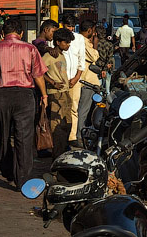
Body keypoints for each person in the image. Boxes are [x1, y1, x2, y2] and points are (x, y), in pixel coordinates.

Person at [0, 17, 47, 190]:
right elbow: (38, 74)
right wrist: (44, 95)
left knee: (3, 135)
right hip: (24, 95)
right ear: (21, 33)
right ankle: (22, 179)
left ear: (3, 33)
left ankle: (7, 170)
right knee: (23, 138)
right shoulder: (30, 48)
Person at [42, 27, 75, 157]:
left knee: (66, 124)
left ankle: (62, 153)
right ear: (57, 42)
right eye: (65, 42)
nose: (68, 45)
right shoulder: (49, 55)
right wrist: (52, 82)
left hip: (65, 92)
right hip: (56, 94)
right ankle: (57, 157)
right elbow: (39, 72)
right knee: (57, 127)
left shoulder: (60, 55)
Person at [61, 14, 86, 146]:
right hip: (60, 80)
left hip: (75, 80)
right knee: (60, 109)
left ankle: (72, 137)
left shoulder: (79, 38)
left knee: (73, 108)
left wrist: (76, 78)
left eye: (72, 26)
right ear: (62, 25)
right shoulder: (57, 38)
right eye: (67, 26)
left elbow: (81, 60)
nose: (70, 28)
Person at [91, 23, 116, 98]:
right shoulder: (109, 45)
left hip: (97, 69)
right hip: (107, 68)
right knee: (107, 89)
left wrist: (102, 70)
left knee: (99, 89)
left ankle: (99, 104)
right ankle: (108, 104)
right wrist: (105, 69)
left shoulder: (94, 44)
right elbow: (109, 58)